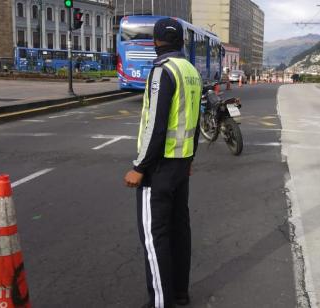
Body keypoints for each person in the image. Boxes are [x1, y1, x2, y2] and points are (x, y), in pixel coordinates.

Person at [123, 17, 202, 308]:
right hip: (181, 165)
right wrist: (190, 158)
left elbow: (156, 124)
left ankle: (161, 302)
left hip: (159, 168)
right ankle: (180, 293)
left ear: (156, 41)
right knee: (180, 230)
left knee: (155, 237)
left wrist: (139, 168)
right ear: (181, 40)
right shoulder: (190, 71)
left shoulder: (162, 70)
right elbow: (192, 119)